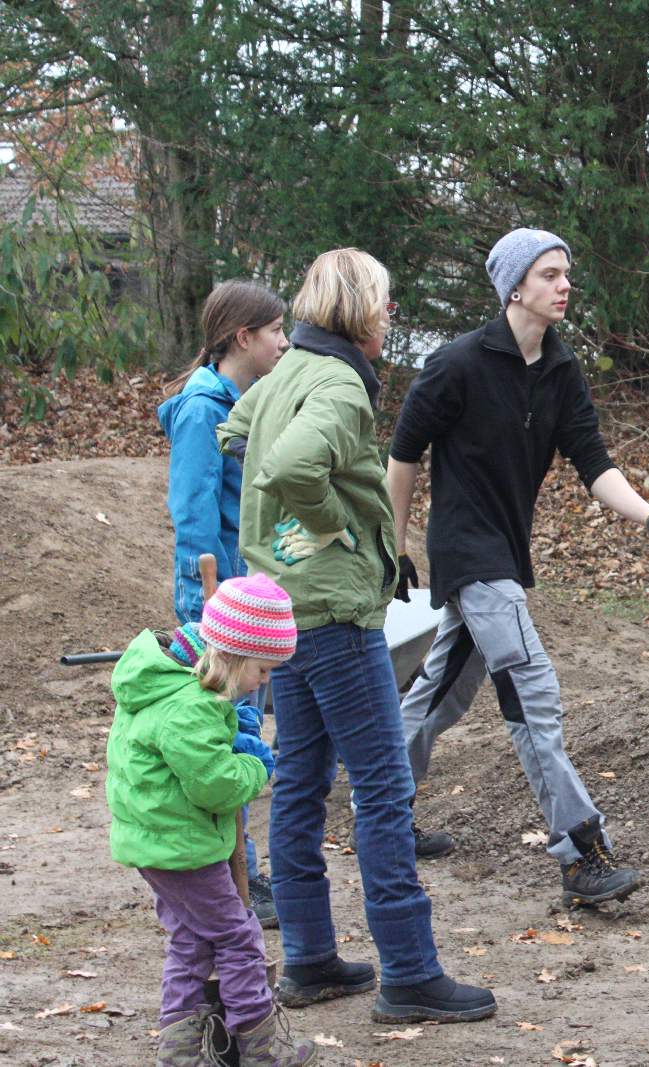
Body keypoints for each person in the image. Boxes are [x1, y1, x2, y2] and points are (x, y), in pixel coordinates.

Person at [218, 248, 495, 1024]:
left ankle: (309, 958)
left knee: (300, 783)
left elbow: (234, 430)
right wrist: (335, 526)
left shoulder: (290, 369)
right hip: (336, 613)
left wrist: (287, 534)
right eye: (383, 301)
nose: (389, 314)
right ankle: (410, 971)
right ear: (356, 309)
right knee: (382, 786)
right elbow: (291, 466)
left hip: (285, 607)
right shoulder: (339, 383)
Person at [388, 227, 649, 907]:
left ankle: (382, 808)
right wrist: (394, 545)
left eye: (566, 273)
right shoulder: (457, 364)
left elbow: (592, 461)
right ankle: (579, 852)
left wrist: (648, 515)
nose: (564, 285)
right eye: (550, 274)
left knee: (442, 691)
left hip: (504, 554)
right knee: (533, 693)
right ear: (515, 287)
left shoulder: (560, 368)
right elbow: (402, 455)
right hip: (469, 553)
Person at [106, 576, 319, 1067]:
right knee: (238, 938)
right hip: (184, 848)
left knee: (192, 940)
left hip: (161, 843)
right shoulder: (191, 707)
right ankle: (260, 1048)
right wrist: (254, 763)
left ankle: (179, 1052)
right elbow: (216, 786)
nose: (264, 681)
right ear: (234, 657)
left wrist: (229, 727)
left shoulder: (168, 687)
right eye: (262, 670)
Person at [158, 279, 289, 930]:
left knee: (246, 727)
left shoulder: (247, 401)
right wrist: (204, 604)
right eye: (275, 331)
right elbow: (193, 513)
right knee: (226, 732)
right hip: (217, 601)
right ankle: (238, 876)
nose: (284, 343)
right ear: (243, 337)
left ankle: (242, 872)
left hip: (246, 594)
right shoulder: (201, 410)